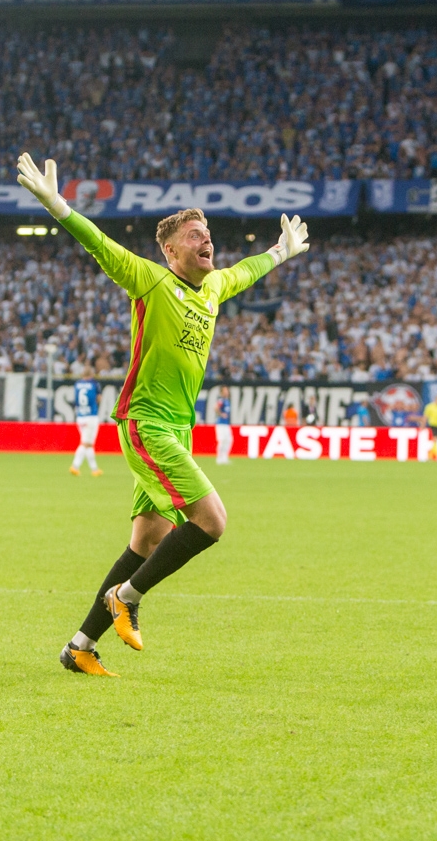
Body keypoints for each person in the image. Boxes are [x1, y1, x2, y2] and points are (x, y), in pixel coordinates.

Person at [16, 152, 310, 677]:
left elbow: (246, 270)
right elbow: (99, 245)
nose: (207, 240)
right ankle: (125, 597)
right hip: (145, 423)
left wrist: (280, 252)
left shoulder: (215, 287)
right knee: (212, 520)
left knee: (147, 538)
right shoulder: (150, 280)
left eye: (208, 232)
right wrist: (59, 206)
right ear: (171, 250)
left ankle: (79, 646)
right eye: (195, 234)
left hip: (179, 429)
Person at [70, 376, 104, 476]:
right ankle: (75, 466)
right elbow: (98, 398)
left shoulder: (77, 384)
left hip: (80, 416)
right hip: (91, 417)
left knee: (88, 444)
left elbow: (75, 400)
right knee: (85, 443)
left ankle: (94, 469)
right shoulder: (94, 384)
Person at [212, 385, 234, 464]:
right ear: (222, 392)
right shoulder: (221, 400)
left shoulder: (227, 400)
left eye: (227, 390)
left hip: (226, 424)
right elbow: (215, 407)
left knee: (229, 440)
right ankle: (219, 458)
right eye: (225, 391)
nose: (227, 392)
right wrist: (221, 414)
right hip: (220, 423)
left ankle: (224, 457)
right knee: (222, 440)